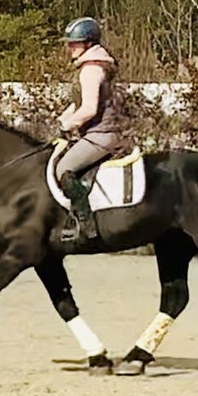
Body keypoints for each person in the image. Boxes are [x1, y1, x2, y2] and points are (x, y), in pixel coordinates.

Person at [55, 16, 125, 242]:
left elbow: (89, 109)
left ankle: (86, 223)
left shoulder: (91, 69)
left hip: (101, 135)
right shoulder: (96, 65)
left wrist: (68, 124)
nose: (70, 47)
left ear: (88, 44)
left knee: (62, 169)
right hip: (102, 133)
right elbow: (79, 103)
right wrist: (63, 118)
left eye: (74, 43)